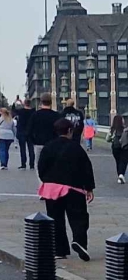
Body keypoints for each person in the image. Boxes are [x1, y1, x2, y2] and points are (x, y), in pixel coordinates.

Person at [37, 116, 95, 261]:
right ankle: (79, 241)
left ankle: (59, 250)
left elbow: (41, 167)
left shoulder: (48, 147)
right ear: (70, 130)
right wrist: (89, 188)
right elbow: (86, 168)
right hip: (73, 188)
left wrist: (47, 180)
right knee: (79, 217)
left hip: (52, 188)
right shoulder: (76, 148)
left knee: (55, 219)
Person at [26, 95, 57, 162]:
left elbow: (29, 131)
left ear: (41, 102)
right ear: (51, 102)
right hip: (53, 143)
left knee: (39, 164)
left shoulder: (35, 115)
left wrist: (34, 141)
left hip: (39, 143)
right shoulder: (56, 115)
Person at [14, 98, 36, 169]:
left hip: (22, 132)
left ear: (24, 103)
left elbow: (13, 109)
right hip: (31, 132)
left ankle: (23, 164)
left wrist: (16, 101)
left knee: (22, 149)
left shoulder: (21, 111)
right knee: (31, 149)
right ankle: (32, 164)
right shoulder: (33, 111)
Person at [0, 105, 16, 169]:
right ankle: (6, 164)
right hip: (9, 136)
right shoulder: (11, 120)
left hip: (1, 135)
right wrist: (14, 137)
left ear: (1, 112)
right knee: (6, 150)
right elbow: (14, 129)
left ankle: (3, 164)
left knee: (2, 150)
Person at [111, 113, 128, 185]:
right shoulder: (125, 129)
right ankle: (121, 175)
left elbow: (109, 138)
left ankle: (120, 175)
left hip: (115, 147)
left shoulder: (113, 129)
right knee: (123, 161)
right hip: (124, 147)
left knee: (118, 161)